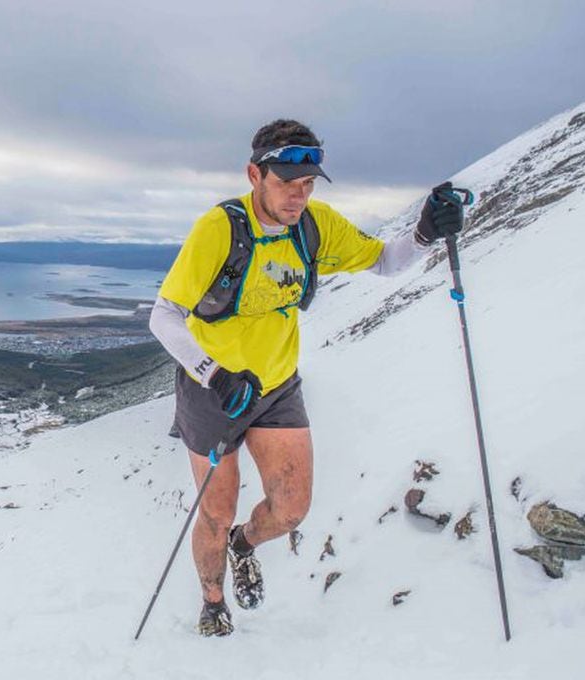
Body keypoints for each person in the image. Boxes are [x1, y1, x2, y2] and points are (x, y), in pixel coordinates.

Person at [148, 119, 464, 636]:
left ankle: (245, 544)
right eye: (286, 184)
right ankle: (212, 599)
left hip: (276, 387)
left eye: (308, 184)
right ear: (255, 175)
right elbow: (164, 315)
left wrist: (426, 234)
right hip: (213, 392)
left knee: (291, 509)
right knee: (215, 510)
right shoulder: (220, 229)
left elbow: (385, 262)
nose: (298, 196)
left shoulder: (314, 226)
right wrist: (215, 374)